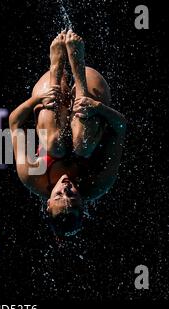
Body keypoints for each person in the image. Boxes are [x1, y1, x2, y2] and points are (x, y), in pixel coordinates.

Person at [9, 30, 127, 236]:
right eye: (72, 197)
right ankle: (77, 67)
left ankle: (56, 68)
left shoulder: (31, 177)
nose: (65, 188)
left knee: (53, 145)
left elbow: (15, 124)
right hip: (89, 92)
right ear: (84, 205)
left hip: (51, 95)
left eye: (58, 197)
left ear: (47, 204)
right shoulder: (99, 183)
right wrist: (98, 107)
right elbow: (120, 128)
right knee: (83, 146)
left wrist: (37, 101)